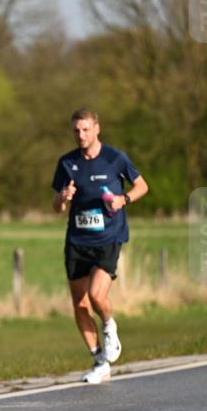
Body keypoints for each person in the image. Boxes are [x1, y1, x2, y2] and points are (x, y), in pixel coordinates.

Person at [52, 107, 148, 384]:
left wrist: (123, 200)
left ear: (97, 129)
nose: (80, 135)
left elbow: (142, 186)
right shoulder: (67, 163)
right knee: (80, 304)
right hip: (77, 240)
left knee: (96, 296)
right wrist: (63, 196)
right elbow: (57, 208)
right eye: (76, 130)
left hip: (108, 237)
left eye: (85, 129)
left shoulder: (115, 158)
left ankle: (109, 325)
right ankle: (99, 361)